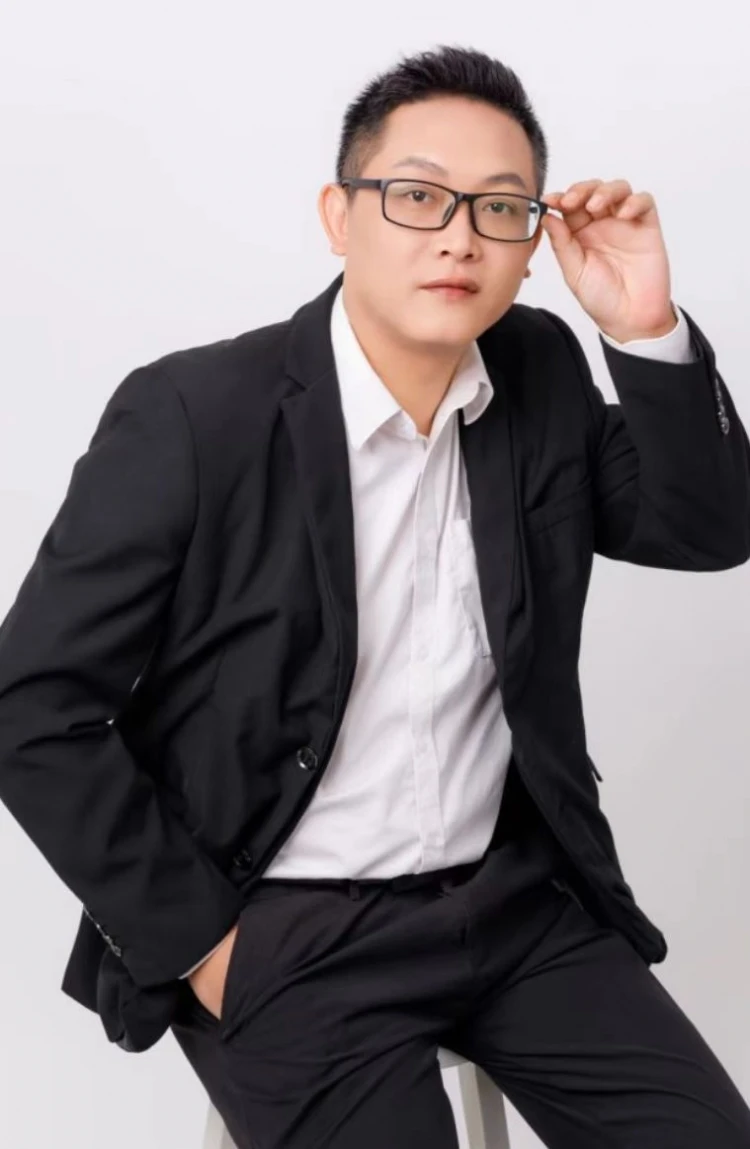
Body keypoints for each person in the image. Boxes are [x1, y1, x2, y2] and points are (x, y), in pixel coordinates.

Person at [0, 42, 749, 1149]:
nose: (458, 236)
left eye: (500, 207)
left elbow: (706, 530)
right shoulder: (197, 414)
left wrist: (644, 328)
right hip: (284, 930)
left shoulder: (539, 370)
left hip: (515, 905)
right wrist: (207, 947)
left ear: (531, 243)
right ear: (338, 216)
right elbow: (32, 703)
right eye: (418, 195)